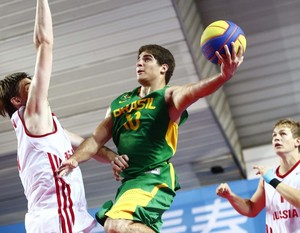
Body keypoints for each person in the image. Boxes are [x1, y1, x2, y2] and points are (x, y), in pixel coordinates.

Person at [58, 42, 244, 233]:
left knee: (116, 225)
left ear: (164, 68)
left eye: (147, 59)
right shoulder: (119, 103)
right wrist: (75, 159)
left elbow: (195, 90)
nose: (139, 63)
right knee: (121, 229)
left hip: (154, 178)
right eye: (138, 60)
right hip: (129, 182)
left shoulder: (168, 96)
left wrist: (223, 76)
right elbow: (96, 141)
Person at [0, 1, 126, 232]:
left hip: (57, 217)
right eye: (30, 86)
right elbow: (44, 43)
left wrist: (113, 158)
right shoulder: (32, 116)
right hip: (57, 217)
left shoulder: (48, 130)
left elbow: (91, 147)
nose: (38, 86)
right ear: (17, 101)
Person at [216, 118, 300, 233]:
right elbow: (251, 209)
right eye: (274, 135)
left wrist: (272, 180)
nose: (276, 137)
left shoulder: (270, 177)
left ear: (297, 141)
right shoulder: (268, 177)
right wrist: (230, 196)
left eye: (283, 134)